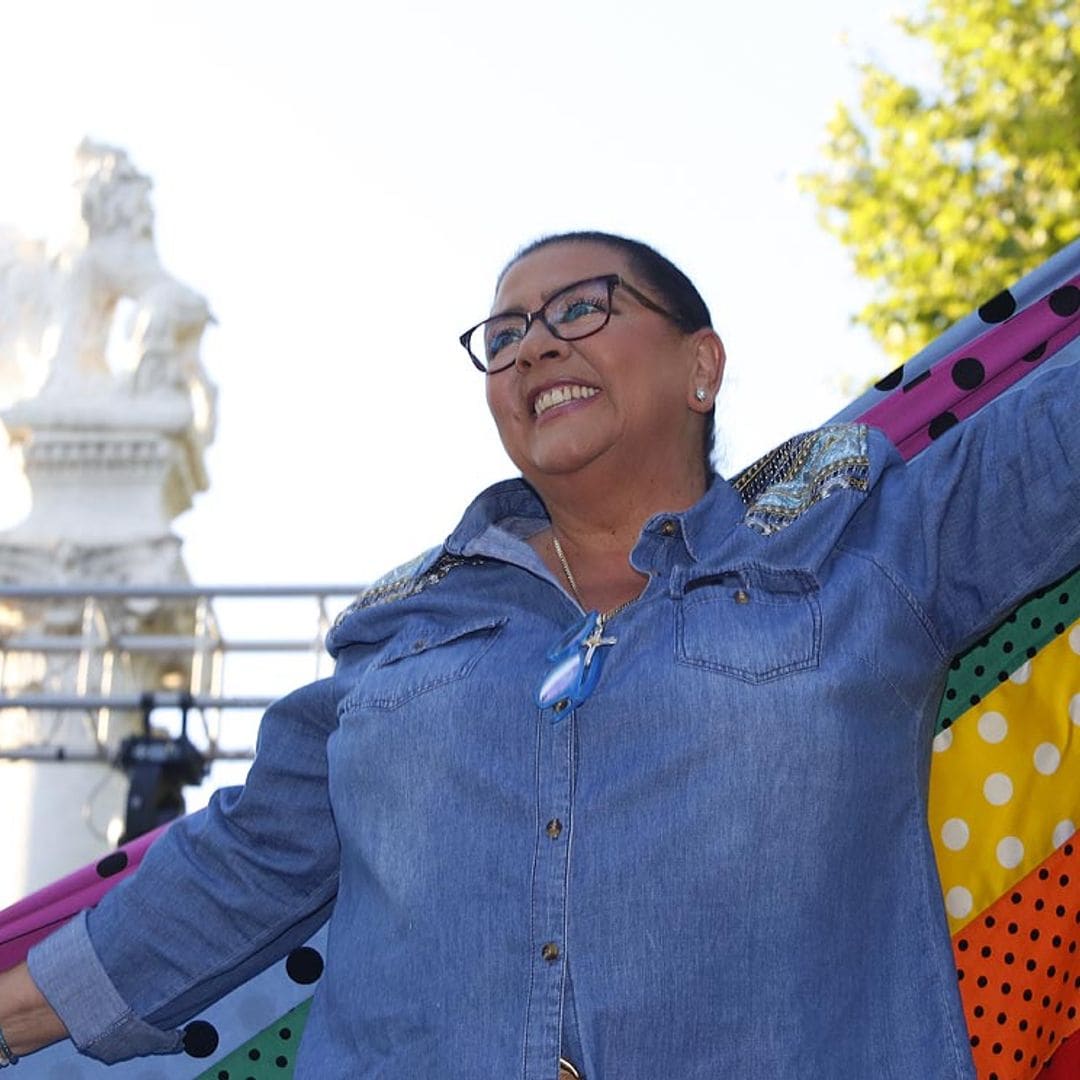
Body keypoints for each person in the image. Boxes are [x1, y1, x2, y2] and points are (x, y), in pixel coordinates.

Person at [0, 230, 1077, 1078]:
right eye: (504, 332)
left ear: (701, 364)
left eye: (581, 307)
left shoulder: (873, 546)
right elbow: (227, 878)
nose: (534, 344)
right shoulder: (395, 639)